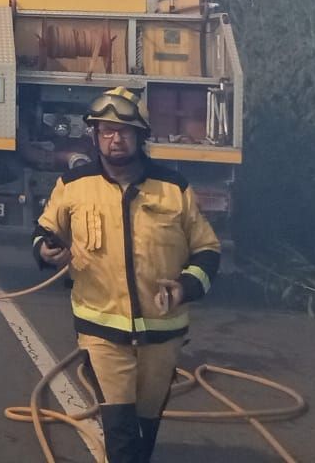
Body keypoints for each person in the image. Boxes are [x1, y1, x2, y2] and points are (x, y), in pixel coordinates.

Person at [32, 86, 222, 463]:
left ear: (140, 136)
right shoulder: (72, 187)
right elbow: (43, 232)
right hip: (102, 334)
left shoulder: (174, 189)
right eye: (105, 131)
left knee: (144, 429)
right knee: (120, 432)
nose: (114, 139)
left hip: (163, 336)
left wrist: (185, 287)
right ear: (95, 137)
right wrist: (44, 249)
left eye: (123, 131)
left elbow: (208, 251)